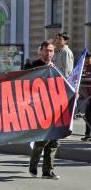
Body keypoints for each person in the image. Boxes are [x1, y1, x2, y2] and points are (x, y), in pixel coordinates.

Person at [28, 40, 60, 179]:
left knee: (54, 141)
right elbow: (26, 84)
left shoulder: (54, 67)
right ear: (40, 51)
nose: (49, 53)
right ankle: (33, 165)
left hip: (54, 108)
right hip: (39, 109)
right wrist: (44, 69)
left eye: (51, 50)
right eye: (46, 50)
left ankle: (48, 171)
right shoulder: (34, 66)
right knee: (41, 140)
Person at [81, 52, 91, 141]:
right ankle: (87, 135)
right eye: (86, 58)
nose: (87, 60)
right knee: (87, 115)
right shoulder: (83, 68)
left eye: (89, 58)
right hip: (87, 97)